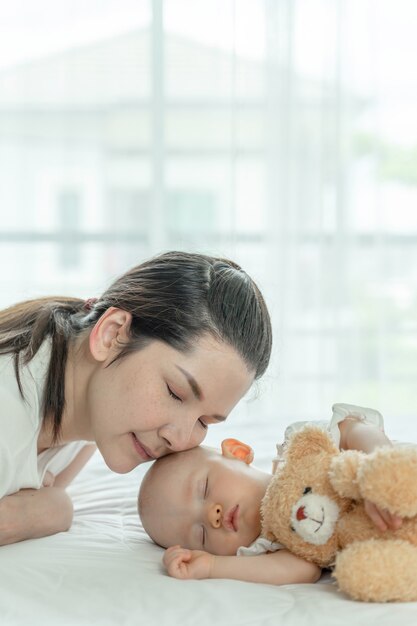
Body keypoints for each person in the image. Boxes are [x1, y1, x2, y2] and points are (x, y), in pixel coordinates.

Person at [0, 250, 272, 546]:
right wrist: (53, 510)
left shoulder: (86, 417)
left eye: (204, 422)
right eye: (175, 392)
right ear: (112, 334)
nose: (179, 440)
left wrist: (52, 506)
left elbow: (49, 490)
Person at [138, 403, 403, 586]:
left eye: (204, 488)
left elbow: (352, 428)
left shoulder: (296, 451)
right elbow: (305, 570)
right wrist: (210, 566)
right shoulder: (266, 549)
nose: (212, 516)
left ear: (238, 452)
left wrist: (380, 465)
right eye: (201, 535)